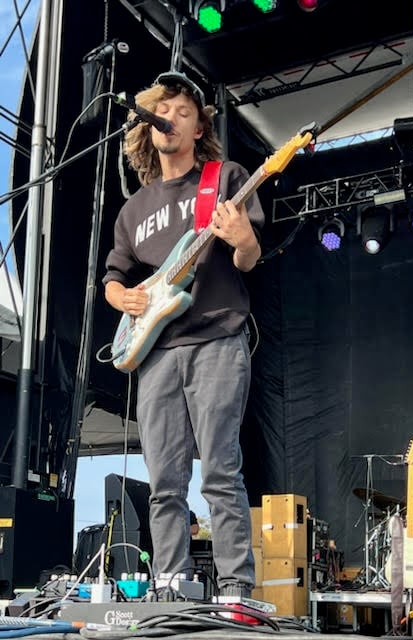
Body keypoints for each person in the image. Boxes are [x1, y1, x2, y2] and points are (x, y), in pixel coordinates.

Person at [103, 70, 265, 598]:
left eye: (181, 110)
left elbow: (247, 259)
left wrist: (243, 239)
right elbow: (113, 275)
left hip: (218, 339)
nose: (168, 116)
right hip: (154, 353)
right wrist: (122, 298)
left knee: (221, 470)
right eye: (161, 109)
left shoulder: (225, 178)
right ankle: (169, 588)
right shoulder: (134, 208)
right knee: (164, 483)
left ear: (199, 128)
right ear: (148, 126)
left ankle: (237, 591)